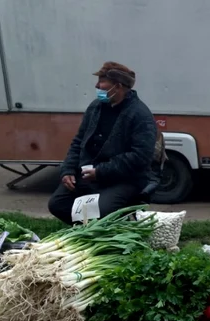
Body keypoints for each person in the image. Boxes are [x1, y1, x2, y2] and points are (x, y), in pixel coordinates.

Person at [48, 62, 157, 225]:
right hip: (90, 174)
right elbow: (79, 141)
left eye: (102, 81)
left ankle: (105, 228)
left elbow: (140, 157)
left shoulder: (140, 115)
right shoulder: (95, 107)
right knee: (57, 204)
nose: (97, 85)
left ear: (118, 86)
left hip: (124, 179)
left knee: (101, 211)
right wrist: (68, 170)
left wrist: (100, 171)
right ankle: (88, 230)